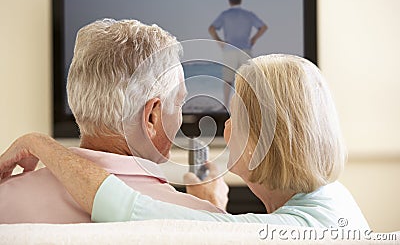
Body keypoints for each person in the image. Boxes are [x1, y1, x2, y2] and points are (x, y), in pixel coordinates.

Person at [0, 54, 370, 229]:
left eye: (234, 120)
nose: (224, 131)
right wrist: (209, 209)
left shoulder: (258, 233)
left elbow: (119, 205)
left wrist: (38, 143)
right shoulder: (335, 197)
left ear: (259, 146)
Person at [0, 19, 227, 224]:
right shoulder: (199, 220)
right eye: (179, 103)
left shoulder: (6, 198)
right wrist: (210, 213)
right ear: (151, 117)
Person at [209, 0, 268, 107]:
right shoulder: (248, 14)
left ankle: (225, 106)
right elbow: (263, 27)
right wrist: (254, 39)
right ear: (240, 0)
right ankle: (248, 105)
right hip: (245, 50)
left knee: (227, 80)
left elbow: (211, 28)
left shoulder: (225, 15)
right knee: (248, 80)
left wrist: (219, 41)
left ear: (229, 1)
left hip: (229, 50)